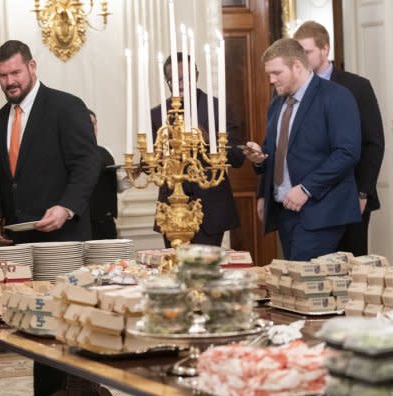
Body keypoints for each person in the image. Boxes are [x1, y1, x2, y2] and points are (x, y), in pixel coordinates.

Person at [0, 40, 100, 396]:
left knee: (71, 319)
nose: (9, 81)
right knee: (37, 321)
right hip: (24, 240)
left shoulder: (67, 107)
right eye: (3, 75)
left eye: (15, 73)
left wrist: (66, 206)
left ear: (32, 67)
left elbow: (87, 164)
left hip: (65, 235)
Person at [240, 38, 361, 260]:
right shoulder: (277, 103)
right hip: (285, 211)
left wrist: (306, 189)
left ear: (297, 65)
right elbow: (274, 151)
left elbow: (347, 153)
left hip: (321, 211)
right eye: (269, 73)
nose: (271, 79)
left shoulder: (336, 96)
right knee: (294, 286)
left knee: (305, 285)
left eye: (277, 72)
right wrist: (259, 158)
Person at [294, 21, 385, 256]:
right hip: (308, 199)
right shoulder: (292, 89)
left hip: (352, 195)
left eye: (307, 51)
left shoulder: (356, 86)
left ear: (325, 49)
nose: (301, 58)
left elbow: (373, 143)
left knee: (351, 267)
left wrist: (363, 191)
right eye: (297, 52)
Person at [150, 52, 245, 247]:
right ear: (167, 81)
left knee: (205, 273)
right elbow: (153, 162)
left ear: (197, 74)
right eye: (174, 80)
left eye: (185, 78)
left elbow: (237, 157)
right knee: (176, 270)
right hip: (171, 210)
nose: (181, 84)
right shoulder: (157, 114)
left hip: (211, 208)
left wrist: (207, 138)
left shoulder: (218, 108)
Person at [87, 109, 119, 239]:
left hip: (107, 222)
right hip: (84, 223)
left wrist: (131, 176)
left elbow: (115, 186)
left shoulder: (107, 152)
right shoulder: (69, 153)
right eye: (88, 123)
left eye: (94, 123)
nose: (92, 127)